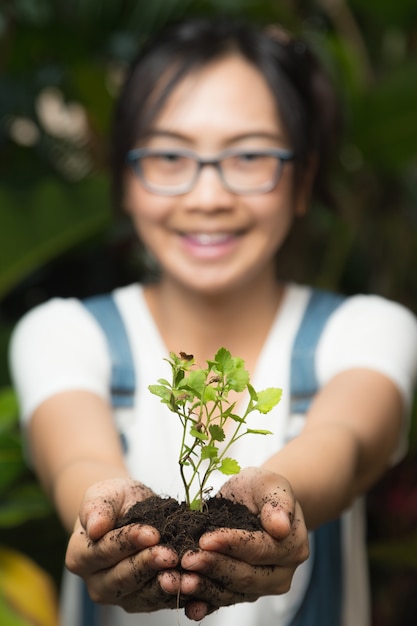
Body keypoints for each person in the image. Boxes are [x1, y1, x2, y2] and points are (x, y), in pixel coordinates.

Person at [8, 16, 417, 626]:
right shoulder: (64, 335)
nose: (208, 196)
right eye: (170, 155)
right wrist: (101, 513)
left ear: (302, 179)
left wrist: (278, 497)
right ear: (126, 177)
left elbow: (347, 443)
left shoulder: (367, 332)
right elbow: (76, 464)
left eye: (249, 155)